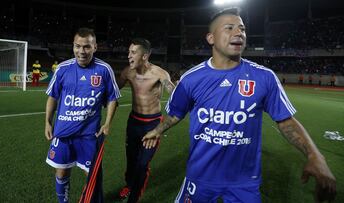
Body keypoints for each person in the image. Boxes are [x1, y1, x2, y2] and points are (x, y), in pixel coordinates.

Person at [142, 8, 336, 203]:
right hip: (200, 176)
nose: (238, 33)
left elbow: (285, 121)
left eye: (242, 29)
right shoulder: (191, 79)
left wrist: (315, 155)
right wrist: (158, 130)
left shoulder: (264, 77)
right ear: (211, 38)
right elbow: (176, 113)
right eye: (229, 28)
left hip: (244, 182)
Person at [45, 27, 121, 203]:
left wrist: (108, 123)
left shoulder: (104, 69)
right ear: (73, 46)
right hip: (63, 133)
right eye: (77, 46)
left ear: (95, 47)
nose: (81, 51)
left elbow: (112, 98)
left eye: (86, 46)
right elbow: (52, 97)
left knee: (92, 174)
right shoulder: (63, 69)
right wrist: (48, 122)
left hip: (89, 135)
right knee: (62, 171)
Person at [116, 38, 175, 203]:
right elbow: (113, 90)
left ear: (145, 55)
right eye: (129, 52)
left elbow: (174, 93)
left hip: (153, 123)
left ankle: (133, 199)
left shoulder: (160, 74)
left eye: (133, 52)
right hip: (134, 122)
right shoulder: (128, 72)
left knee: (142, 164)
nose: (129, 56)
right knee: (131, 159)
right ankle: (129, 185)